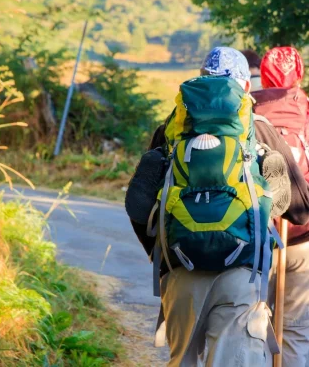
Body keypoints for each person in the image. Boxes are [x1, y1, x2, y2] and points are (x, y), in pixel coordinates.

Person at [128, 47, 309, 367]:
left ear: (200, 79)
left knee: (182, 359)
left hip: (180, 267)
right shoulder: (259, 126)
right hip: (240, 271)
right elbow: (293, 205)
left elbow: (138, 204)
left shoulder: (171, 129)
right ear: (247, 87)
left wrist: (162, 254)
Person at [253, 46, 309, 367]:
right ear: (298, 76)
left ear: (262, 75)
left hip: (258, 239)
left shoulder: (247, 115)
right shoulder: (307, 112)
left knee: (252, 327)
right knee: (297, 330)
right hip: (303, 238)